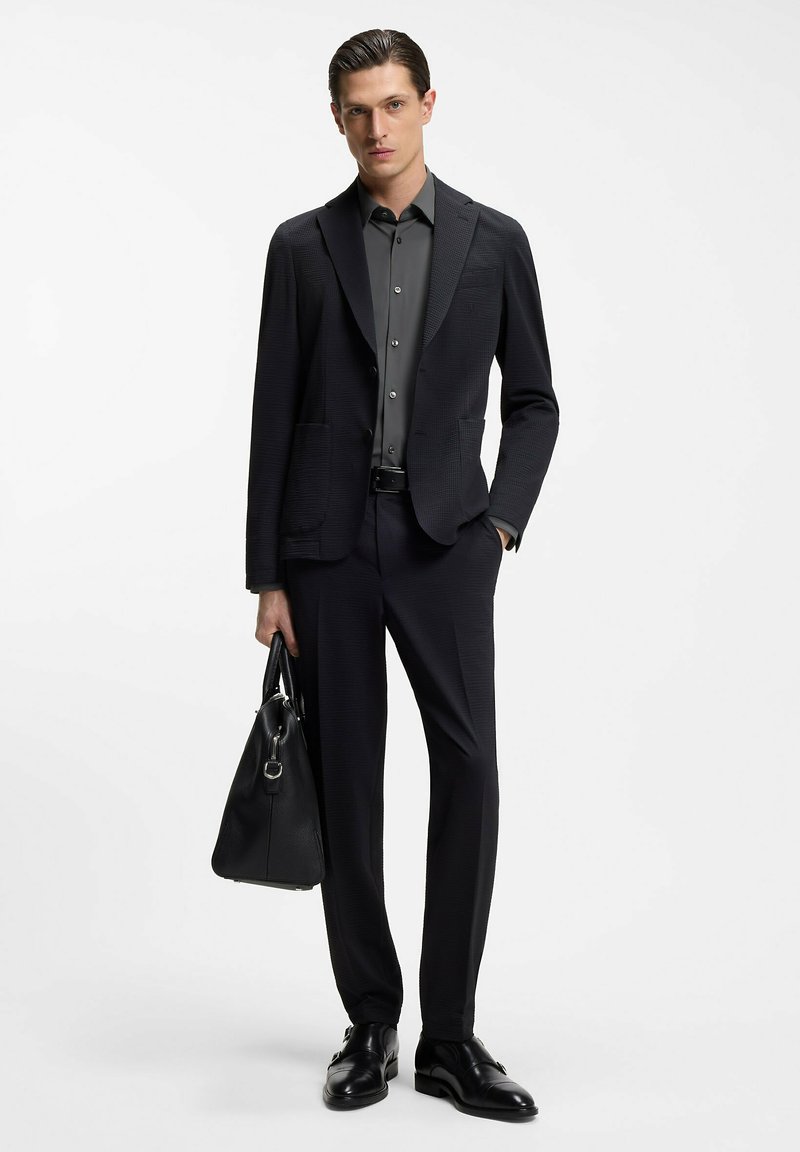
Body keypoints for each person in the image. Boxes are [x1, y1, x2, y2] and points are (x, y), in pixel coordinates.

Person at [245, 28, 558, 1122]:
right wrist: (267, 575)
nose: (376, 127)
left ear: (428, 102)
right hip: (324, 550)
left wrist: (499, 524)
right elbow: (273, 413)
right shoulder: (300, 247)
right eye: (356, 109)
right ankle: (371, 1023)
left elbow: (534, 400)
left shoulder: (493, 242)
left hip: (444, 545)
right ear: (336, 118)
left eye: (392, 103)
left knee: (467, 770)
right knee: (348, 782)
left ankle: (451, 1039)